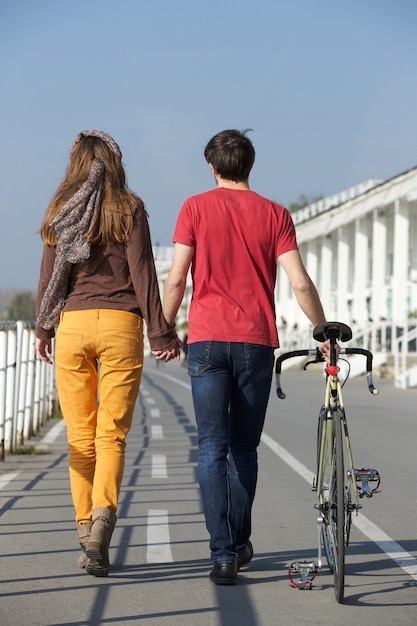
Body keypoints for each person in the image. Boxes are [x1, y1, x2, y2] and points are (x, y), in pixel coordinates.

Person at [162, 129, 330, 585]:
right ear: (249, 166)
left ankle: (222, 554)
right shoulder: (275, 214)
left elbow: (177, 279)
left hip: (207, 342)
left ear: (212, 167)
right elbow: (299, 282)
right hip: (256, 342)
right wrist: (321, 330)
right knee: (243, 448)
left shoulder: (194, 207)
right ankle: (238, 542)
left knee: (212, 448)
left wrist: (163, 329)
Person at [35, 130, 181, 578]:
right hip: (121, 326)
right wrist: (160, 333)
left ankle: (85, 533)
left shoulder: (62, 208)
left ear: (75, 162)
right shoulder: (130, 208)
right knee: (111, 434)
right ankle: (103, 522)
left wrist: (43, 329)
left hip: (73, 326)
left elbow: (49, 276)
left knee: (80, 436)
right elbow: (143, 273)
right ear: (115, 162)